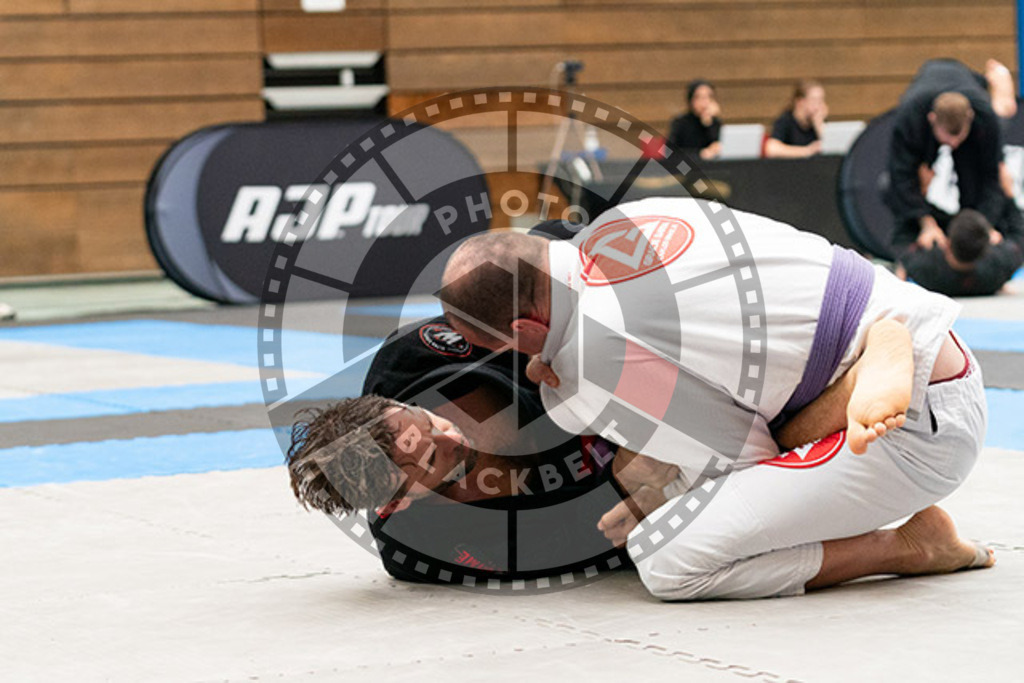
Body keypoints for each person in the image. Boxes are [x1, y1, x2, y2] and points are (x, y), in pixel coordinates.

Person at [440, 196, 993, 600]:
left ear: (526, 331)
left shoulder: (593, 357)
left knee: (665, 556)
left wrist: (661, 490)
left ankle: (906, 548)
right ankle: (874, 348)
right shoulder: (624, 220)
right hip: (921, 332)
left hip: (920, 431)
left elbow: (746, 457)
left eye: (505, 346)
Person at [885, 59, 1013, 251]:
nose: (953, 144)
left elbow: (990, 177)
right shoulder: (910, 118)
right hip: (926, 91)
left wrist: (982, 227)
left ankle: (1002, 88)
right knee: (906, 181)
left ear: (970, 118)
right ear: (932, 119)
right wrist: (926, 224)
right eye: (948, 138)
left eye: (958, 137)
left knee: (1002, 114)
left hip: (971, 87)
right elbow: (901, 178)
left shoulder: (984, 117)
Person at [896, 202, 1024, 296]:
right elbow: (1019, 238)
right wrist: (1010, 197)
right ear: (987, 247)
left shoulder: (925, 267)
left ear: (947, 244)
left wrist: (925, 224)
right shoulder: (999, 267)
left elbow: (902, 255)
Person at [763, 79, 827, 158]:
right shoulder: (785, 121)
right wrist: (807, 151)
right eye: (814, 100)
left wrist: (820, 127)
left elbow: (833, 149)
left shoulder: (819, 123)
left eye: (821, 101)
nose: (818, 106)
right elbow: (771, 149)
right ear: (800, 102)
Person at [667, 79, 722, 160]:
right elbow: (670, 153)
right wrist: (700, 154)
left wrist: (709, 124)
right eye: (700, 97)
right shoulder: (680, 123)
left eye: (709, 97)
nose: (705, 102)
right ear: (691, 100)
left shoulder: (715, 122)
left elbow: (717, 145)